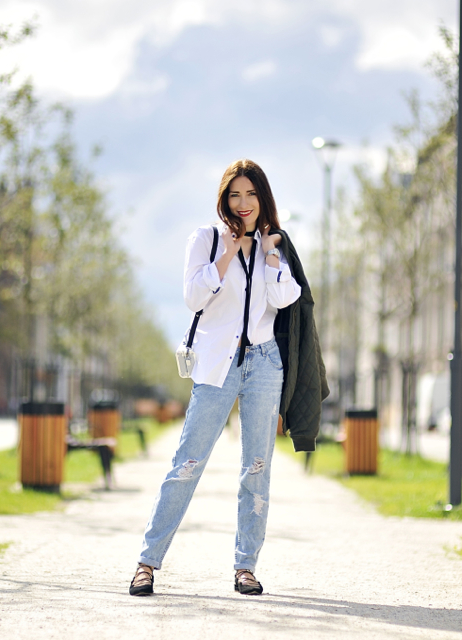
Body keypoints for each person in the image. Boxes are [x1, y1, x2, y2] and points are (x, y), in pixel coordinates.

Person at [130, 159, 304, 597]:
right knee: (187, 464)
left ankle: (246, 567)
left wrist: (271, 254)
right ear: (224, 198)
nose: (243, 203)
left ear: (263, 198)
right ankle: (147, 563)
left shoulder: (273, 245)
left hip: (264, 362)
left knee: (256, 469)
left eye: (251, 194)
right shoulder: (205, 239)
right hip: (217, 364)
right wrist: (226, 255)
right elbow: (193, 297)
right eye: (235, 194)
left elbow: (287, 296)